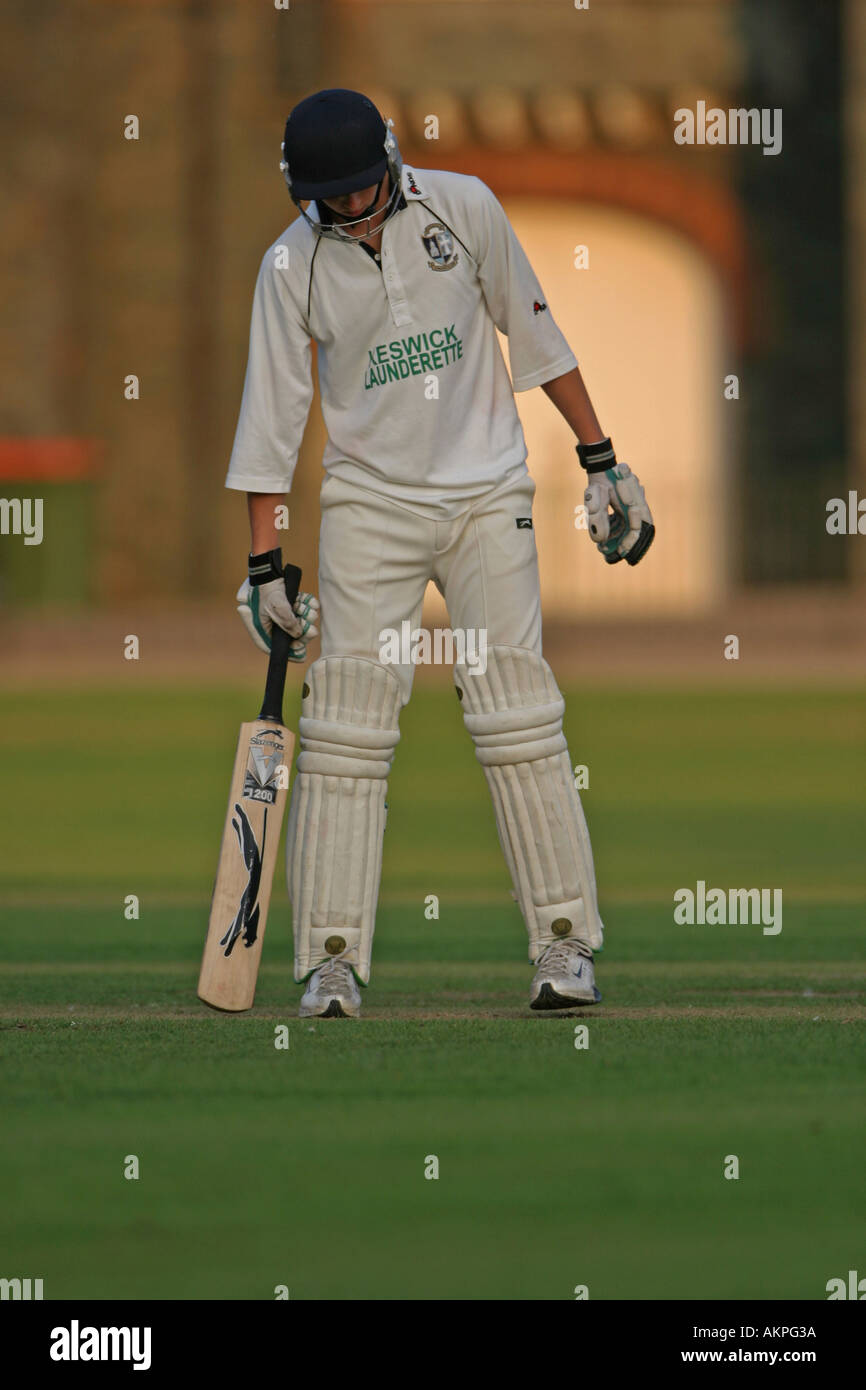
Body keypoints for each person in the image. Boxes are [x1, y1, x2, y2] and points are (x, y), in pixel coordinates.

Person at [227, 89, 654, 1019]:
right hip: (367, 505)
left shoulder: (464, 207)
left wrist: (601, 460)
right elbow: (271, 414)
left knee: (517, 714)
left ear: (390, 155)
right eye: (329, 195)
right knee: (344, 727)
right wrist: (264, 565)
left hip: (487, 492)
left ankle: (564, 947)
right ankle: (332, 961)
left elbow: (535, 337)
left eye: (360, 186)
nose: (350, 207)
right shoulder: (289, 264)